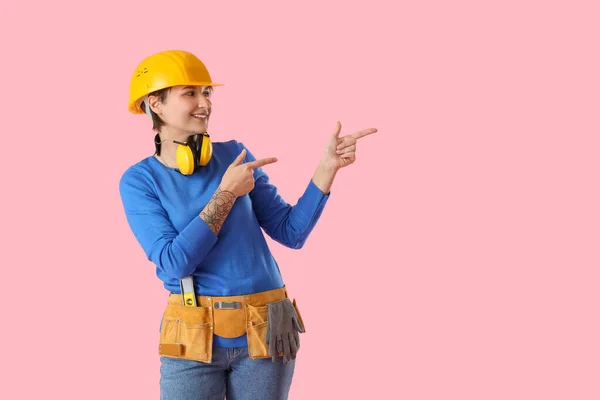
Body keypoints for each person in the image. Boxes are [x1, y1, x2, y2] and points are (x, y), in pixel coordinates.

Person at [119, 49, 376, 400]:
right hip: (193, 334)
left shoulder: (235, 155)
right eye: (190, 93)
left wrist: (327, 169)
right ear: (156, 103)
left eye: (207, 92)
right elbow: (175, 261)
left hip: (266, 328)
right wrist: (225, 193)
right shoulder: (140, 180)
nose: (203, 103)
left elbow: (292, 232)